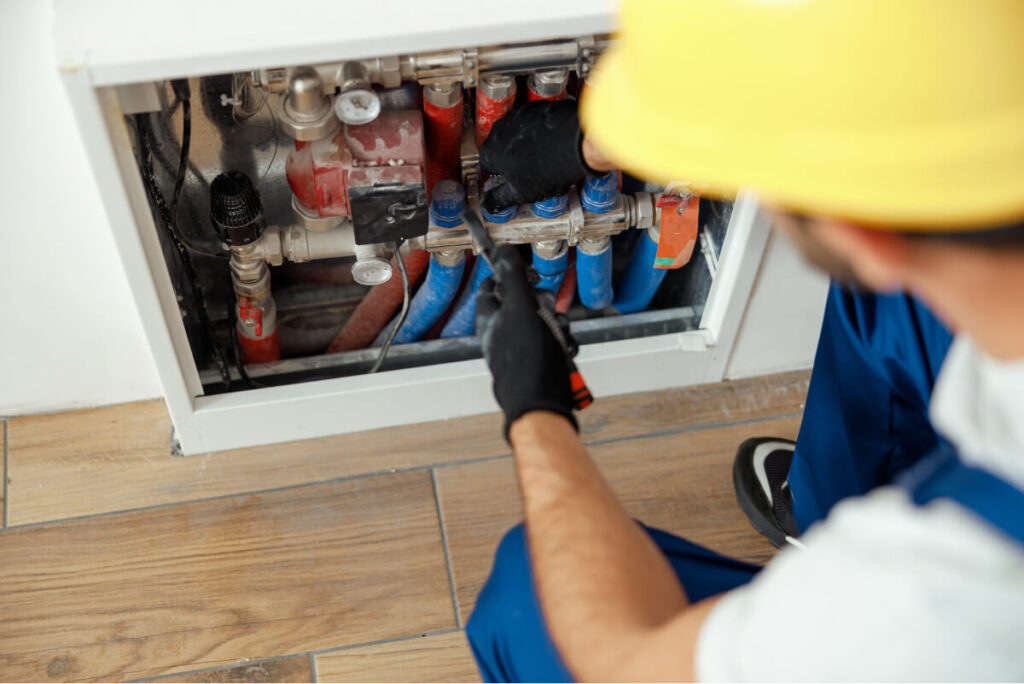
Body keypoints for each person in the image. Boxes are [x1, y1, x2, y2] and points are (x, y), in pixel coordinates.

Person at [465, 0, 1024, 681]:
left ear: (863, 233)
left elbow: (625, 664)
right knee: (887, 302)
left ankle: (840, 531)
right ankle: (827, 511)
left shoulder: (930, 601)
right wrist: (597, 143)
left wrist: (536, 407)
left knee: (526, 597)